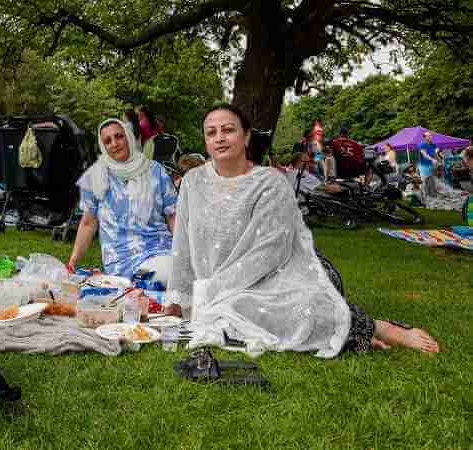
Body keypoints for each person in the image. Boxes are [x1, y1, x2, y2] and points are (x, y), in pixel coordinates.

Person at [163, 104, 439, 358]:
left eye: (228, 130)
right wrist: (177, 296)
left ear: (246, 137)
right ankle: (342, 333)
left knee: (288, 310)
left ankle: (377, 327)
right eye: (211, 133)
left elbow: (272, 248)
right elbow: (183, 243)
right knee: (225, 315)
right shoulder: (193, 181)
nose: (220, 137)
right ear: (206, 141)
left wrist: (216, 289)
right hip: (219, 286)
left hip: (279, 272)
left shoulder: (270, 182)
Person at [66, 118, 178, 279]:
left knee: (190, 271)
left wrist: (183, 251)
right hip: (122, 261)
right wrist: (73, 261)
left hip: (162, 250)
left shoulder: (155, 170)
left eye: (119, 136)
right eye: (107, 141)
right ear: (103, 147)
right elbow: (88, 223)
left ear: (129, 137)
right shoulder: (96, 176)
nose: (115, 143)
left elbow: (173, 216)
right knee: (176, 276)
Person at [417, 131, 440, 200]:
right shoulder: (421, 145)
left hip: (431, 165)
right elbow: (424, 154)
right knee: (424, 181)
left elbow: (436, 151)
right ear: (424, 137)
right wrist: (432, 159)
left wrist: (438, 156)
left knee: (431, 181)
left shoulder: (432, 144)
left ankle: (432, 194)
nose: (430, 137)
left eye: (431, 135)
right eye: (428, 136)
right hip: (424, 165)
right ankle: (423, 196)